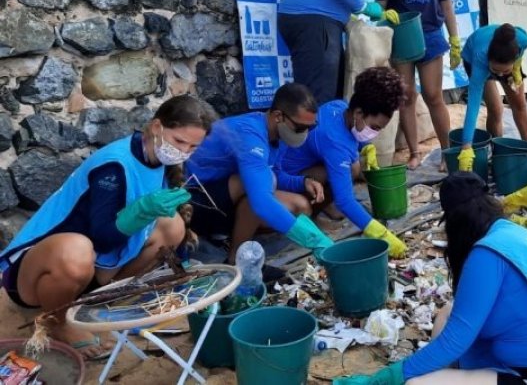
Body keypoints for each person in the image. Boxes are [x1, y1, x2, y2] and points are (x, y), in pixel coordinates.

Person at [333, 172, 527, 385]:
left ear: (455, 222)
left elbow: (456, 340)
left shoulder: (486, 254)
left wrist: (394, 374)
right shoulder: (513, 234)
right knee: (446, 314)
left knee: (418, 382)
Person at [0, 95, 217, 358]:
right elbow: (102, 238)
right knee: (78, 249)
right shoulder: (114, 165)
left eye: (193, 147)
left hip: (94, 267)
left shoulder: (159, 157)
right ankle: (57, 322)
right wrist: (140, 212)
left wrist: (181, 264)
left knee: (172, 225)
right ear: (158, 127)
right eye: (180, 142)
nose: (183, 152)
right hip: (35, 273)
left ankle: (104, 299)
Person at [185, 83, 334, 265]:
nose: (305, 134)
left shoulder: (279, 134)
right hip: (192, 202)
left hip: (223, 195)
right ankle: (236, 260)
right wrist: (315, 241)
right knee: (257, 190)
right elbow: (261, 200)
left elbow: (275, 172)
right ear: (278, 116)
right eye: (300, 128)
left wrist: (303, 182)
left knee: (301, 206)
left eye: (310, 128)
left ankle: (240, 244)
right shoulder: (250, 135)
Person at [281, 67, 408, 258]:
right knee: (350, 170)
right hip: (287, 178)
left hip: (303, 164)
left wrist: (366, 146)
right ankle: (313, 211)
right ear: (358, 113)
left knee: (354, 165)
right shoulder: (335, 143)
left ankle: (322, 205)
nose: (375, 133)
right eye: (374, 127)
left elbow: (355, 137)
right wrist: (381, 233)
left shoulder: (340, 107)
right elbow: (345, 200)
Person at [376, 0, 458, 169]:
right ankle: (414, 152)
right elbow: (379, 6)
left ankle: (448, 151)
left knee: (434, 95)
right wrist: (383, 16)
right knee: (407, 96)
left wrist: (454, 39)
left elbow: (447, 6)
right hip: (402, 38)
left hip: (432, 36)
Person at [455, 24, 527, 172]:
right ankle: (498, 154)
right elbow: (473, 106)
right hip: (473, 59)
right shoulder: (480, 59)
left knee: (520, 104)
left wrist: (516, 67)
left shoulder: (523, 40)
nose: (501, 75)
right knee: (496, 109)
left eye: (505, 71)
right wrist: (466, 146)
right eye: (497, 71)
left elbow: (521, 33)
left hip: (505, 59)